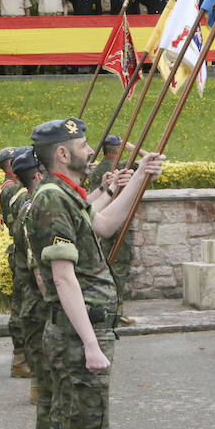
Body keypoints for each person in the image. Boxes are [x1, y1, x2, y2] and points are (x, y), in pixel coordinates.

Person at [26, 117, 164, 429]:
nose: (90, 152)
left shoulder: (64, 193)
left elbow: (103, 225)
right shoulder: (53, 198)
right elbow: (62, 276)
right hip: (76, 336)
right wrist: (90, 345)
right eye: (84, 145)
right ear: (61, 152)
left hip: (77, 332)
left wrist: (140, 178)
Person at [10, 149, 53, 429]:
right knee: (49, 383)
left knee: (46, 379)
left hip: (35, 306)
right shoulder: (31, 208)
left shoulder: (29, 202)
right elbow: (39, 271)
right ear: (37, 175)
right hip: (39, 307)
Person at [87, 134, 148, 326]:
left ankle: (106, 308)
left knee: (106, 264)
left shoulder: (98, 169)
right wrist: (133, 148)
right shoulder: (124, 164)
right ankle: (115, 311)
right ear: (117, 148)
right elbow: (150, 161)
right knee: (120, 268)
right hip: (119, 222)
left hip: (99, 219)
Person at [0, 146, 32, 378]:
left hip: (19, 251)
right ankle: (22, 359)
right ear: (10, 165)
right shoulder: (15, 190)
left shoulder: (12, 188)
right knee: (24, 306)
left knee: (23, 304)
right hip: (22, 253)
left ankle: (22, 359)